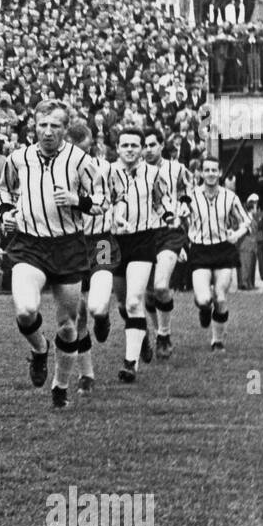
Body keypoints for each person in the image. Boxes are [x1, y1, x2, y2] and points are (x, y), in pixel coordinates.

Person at [0, 100, 103, 408]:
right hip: (29, 243)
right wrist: (8, 212)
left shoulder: (80, 160)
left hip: (68, 245)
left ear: (65, 129)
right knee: (25, 310)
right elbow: (3, 191)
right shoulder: (18, 158)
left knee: (68, 325)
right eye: (42, 125)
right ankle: (40, 349)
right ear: (34, 125)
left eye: (55, 126)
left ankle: (60, 387)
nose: (47, 132)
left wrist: (77, 200)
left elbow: (102, 199)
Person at [108, 125, 169, 383]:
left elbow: (162, 201)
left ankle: (130, 363)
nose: (130, 150)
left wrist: (170, 213)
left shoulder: (154, 174)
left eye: (135, 145)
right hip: (110, 242)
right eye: (125, 145)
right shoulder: (105, 172)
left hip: (143, 239)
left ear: (142, 148)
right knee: (120, 302)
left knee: (134, 300)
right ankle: (141, 335)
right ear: (118, 148)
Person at [186, 156, 250, 351]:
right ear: (201, 173)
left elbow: (246, 222)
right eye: (207, 170)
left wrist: (237, 234)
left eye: (215, 170)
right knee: (204, 299)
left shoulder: (230, 197)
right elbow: (178, 219)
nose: (211, 174)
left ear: (220, 173)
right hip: (200, 250)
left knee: (220, 297)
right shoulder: (191, 196)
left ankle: (217, 341)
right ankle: (204, 310)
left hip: (223, 249)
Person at [141, 129, 193, 360]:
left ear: (162, 145)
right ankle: (158, 332)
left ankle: (163, 334)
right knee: (149, 293)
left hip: (170, 232)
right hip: (143, 233)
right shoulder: (135, 170)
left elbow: (189, 193)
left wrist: (185, 208)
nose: (148, 149)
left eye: (152, 144)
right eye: (145, 145)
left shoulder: (177, 168)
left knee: (161, 286)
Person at [71, 125, 115, 394]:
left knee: (96, 307)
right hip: (72, 244)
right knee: (76, 314)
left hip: (101, 241)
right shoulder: (58, 172)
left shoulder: (106, 169)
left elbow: (121, 196)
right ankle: (85, 373)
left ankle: (103, 317)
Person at [237, 193, 261, 289]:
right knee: (245, 265)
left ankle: (250, 283)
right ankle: (244, 283)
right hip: (246, 245)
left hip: (252, 245)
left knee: (251, 265)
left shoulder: (252, 218)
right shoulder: (245, 218)